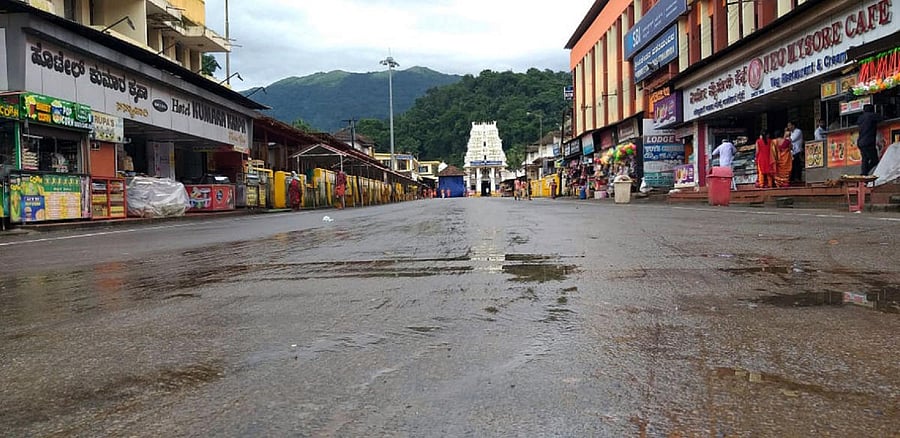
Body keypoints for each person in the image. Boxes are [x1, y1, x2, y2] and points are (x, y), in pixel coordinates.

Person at [856, 104, 882, 176]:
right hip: (868, 142)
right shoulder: (872, 115)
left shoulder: (861, 117)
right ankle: (864, 173)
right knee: (875, 160)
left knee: (865, 159)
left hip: (860, 142)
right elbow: (882, 118)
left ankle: (863, 175)